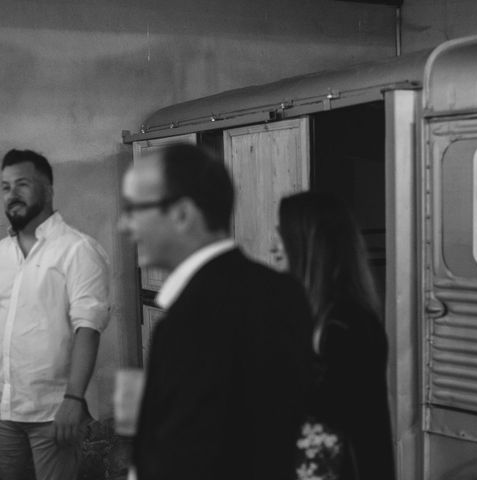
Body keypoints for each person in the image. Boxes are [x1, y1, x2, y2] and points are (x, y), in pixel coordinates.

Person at [118, 143, 313, 480]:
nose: (125, 225)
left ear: (182, 214)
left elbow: (184, 458)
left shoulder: (192, 319)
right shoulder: (282, 290)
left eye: (135, 208)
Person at [0, 149, 110, 480]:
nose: (12, 195)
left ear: (48, 189)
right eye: (5, 187)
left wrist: (74, 399)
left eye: (22, 184)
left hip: (54, 413)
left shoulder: (77, 250)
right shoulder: (2, 254)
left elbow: (88, 329)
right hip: (6, 411)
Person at [276, 191, 395, 480]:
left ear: (308, 244)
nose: (274, 248)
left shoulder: (345, 326)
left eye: (282, 236)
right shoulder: (325, 317)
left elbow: (327, 427)